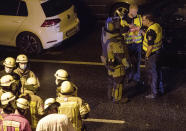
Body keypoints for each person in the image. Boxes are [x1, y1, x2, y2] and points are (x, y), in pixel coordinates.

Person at [101, 16, 130, 103]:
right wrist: (127, 64)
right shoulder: (115, 41)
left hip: (108, 62)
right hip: (117, 65)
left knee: (111, 80)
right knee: (119, 81)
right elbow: (120, 55)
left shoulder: (105, 34)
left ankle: (110, 95)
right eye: (117, 24)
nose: (119, 26)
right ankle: (117, 98)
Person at [142, 13, 164, 98]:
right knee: (158, 71)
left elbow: (150, 47)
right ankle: (160, 89)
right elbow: (152, 37)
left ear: (148, 21)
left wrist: (147, 56)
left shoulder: (151, 31)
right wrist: (143, 32)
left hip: (152, 55)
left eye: (144, 20)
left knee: (152, 73)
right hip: (158, 52)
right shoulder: (156, 25)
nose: (142, 21)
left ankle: (154, 93)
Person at [120, 4, 143, 87]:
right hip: (128, 44)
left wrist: (135, 28)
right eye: (134, 11)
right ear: (130, 11)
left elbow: (141, 26)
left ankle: (137, 78)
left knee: (137, 62)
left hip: (138, 43)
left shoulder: (139, 17)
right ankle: (128, 77)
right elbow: (122, 31)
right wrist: (129, 28)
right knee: (128, 63)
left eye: (137, 11)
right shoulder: (123, 19)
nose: (136, 13)